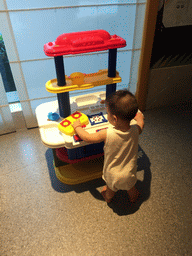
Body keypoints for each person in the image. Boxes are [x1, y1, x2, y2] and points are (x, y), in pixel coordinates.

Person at [72, 90, 144, 203]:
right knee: (131, 187)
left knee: (110, 189)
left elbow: (87, 137)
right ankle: (133, 197)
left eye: (108, 113)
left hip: (112, 174)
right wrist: (140, 118)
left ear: (114, 119)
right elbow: (141, 124)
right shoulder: (135, 130)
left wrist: (77, 127)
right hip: (130, 172)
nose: (107, 115)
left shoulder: (107, 133)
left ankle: (108, 197)